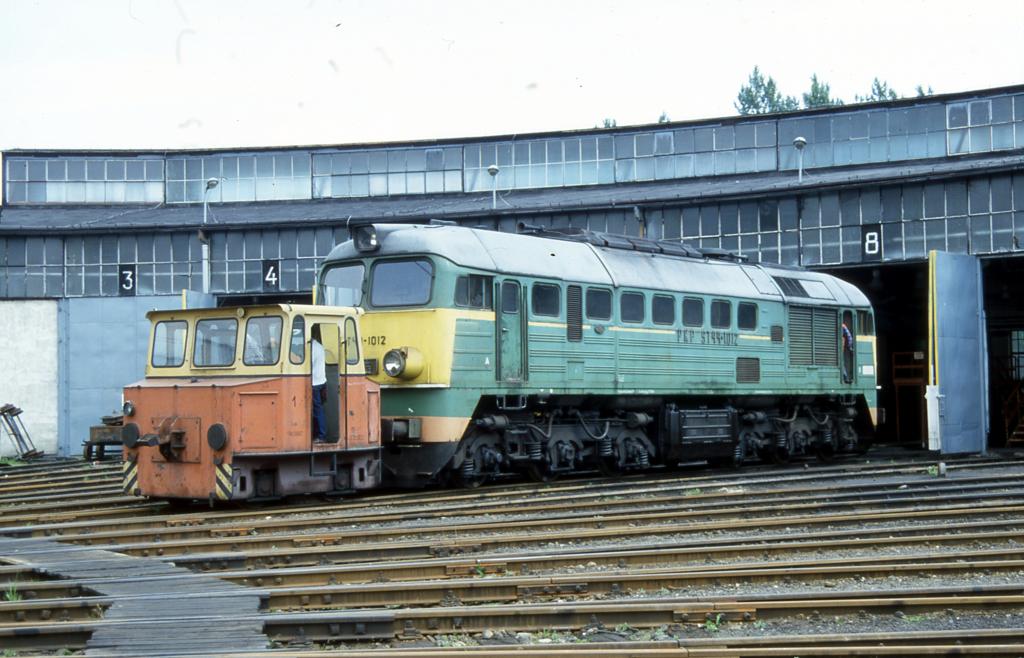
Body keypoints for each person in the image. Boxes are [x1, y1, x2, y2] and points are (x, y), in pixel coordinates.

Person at [311, 325, 328, 441]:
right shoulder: (319, 346)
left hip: (315, 383)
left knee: (317, 410)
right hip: (322, 381)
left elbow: (307, 363)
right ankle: (319, 434)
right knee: (318, 409)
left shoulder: (312, 348)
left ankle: (321, 435)